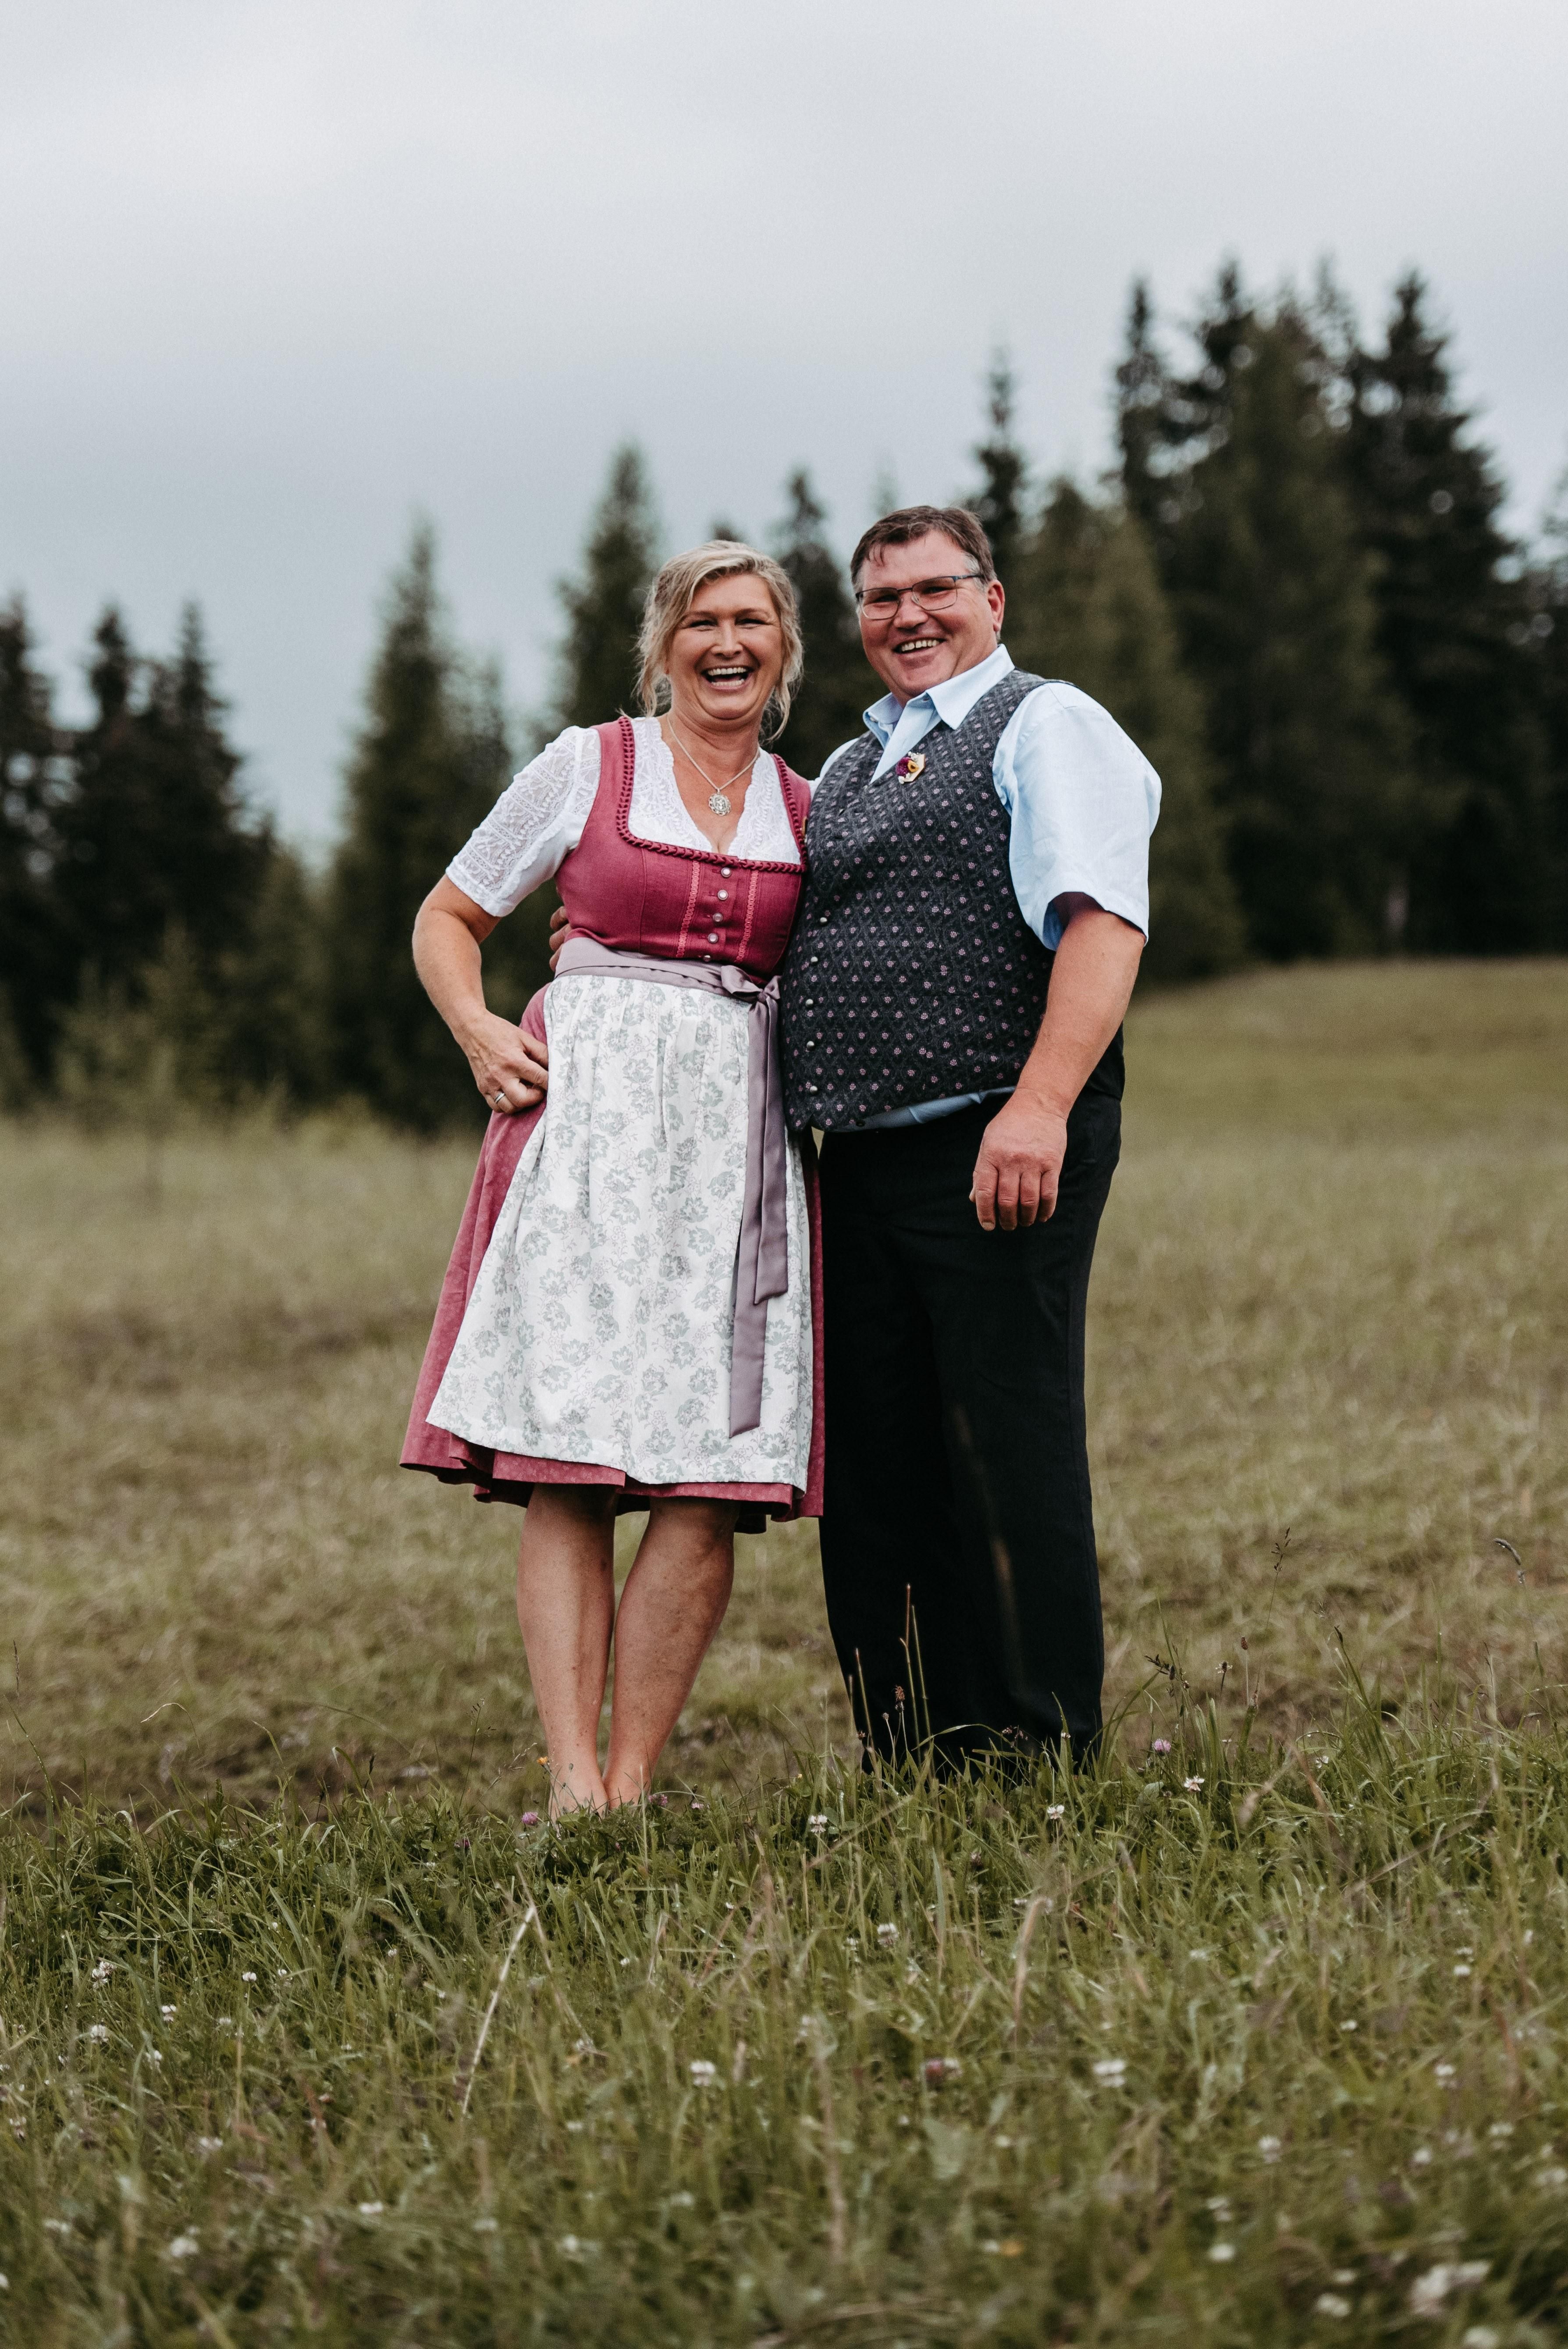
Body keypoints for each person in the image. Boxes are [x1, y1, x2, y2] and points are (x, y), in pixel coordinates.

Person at [402, 542, 821, 1815]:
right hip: (586, 1139)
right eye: (701, 622)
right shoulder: (589, 764)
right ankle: (573, 1781)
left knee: (707, 1476)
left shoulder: (811, 806)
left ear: (785, 649)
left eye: (751, 621)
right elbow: (447, 916)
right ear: (663, 646)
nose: (727, 643)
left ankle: (631, 1785)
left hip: (737, 1156)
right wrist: (480, 1031)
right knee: (569, 1455)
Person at [777, 503, 1156, 1771]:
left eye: (937, 588)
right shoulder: (848, 766)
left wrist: (1037, 1107)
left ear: (993, 600)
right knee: (878, 1459)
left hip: (999, 1136)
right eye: (882, 598)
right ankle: (916, 1752)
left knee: (1004, 1441)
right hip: (857, 1159)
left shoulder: (1047, 723)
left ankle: (1043, 1747)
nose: (910, 616)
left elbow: (1102, 923)